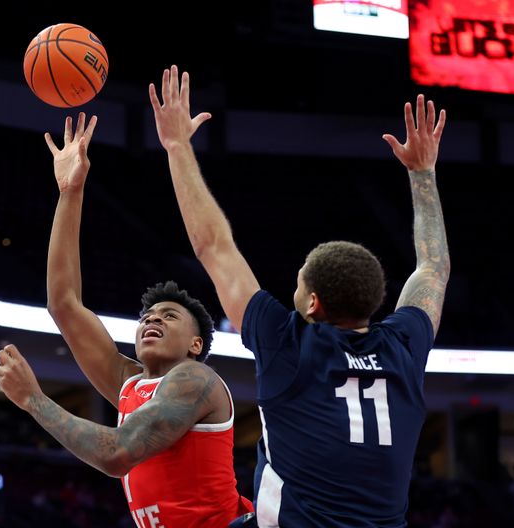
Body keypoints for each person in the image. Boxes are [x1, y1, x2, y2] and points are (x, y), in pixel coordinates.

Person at [149, 65, 450, 527]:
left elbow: (213, 244)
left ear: (312, 305)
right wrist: (424, 174)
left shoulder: (288, 343)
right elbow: (433, 267)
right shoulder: (403, 346)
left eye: (298, 282)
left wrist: (176, 145)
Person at [0, 113, 253, 528]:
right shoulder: (130, 383)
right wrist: (70, 192)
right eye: (148, 315)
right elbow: (63, 303)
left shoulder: (195, 381)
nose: (153, 320)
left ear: (195, 345)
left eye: (169, 316)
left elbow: (117, 454)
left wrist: (34, 401)